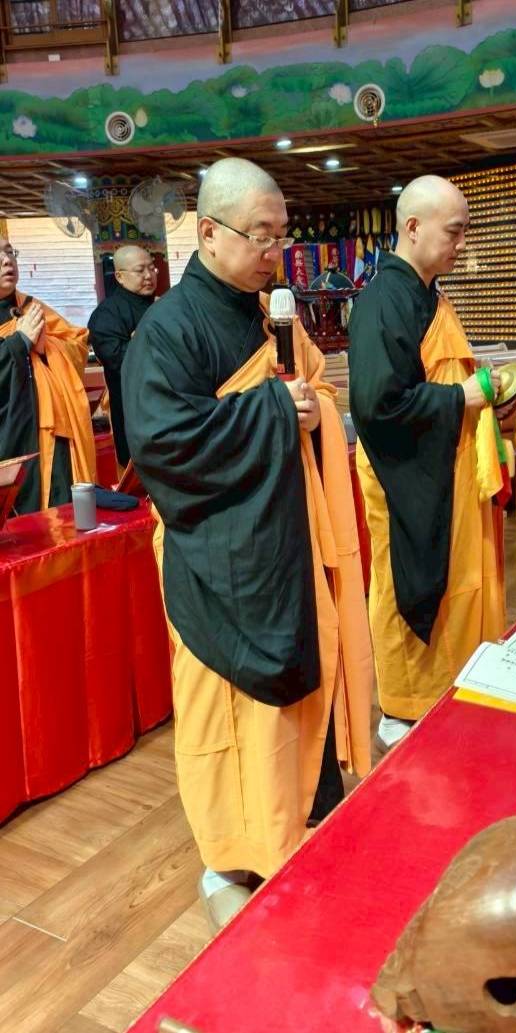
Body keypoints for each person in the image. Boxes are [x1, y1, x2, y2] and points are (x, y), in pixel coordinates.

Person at [122, 158, 372, 933]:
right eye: (261, 235)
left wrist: (306, 407)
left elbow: (305, 395)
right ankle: (232, 856)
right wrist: (272, 410)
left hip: (285, 542)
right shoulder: (167, 332)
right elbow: (162, 446)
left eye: (281, 235)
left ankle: (296, 824)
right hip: (221, 565)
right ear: (208, 233)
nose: (275, 251)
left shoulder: (267, 316)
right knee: (235, 722)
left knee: (299, 698)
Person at [349, 175, 508, 752]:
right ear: (413, 227)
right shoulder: (383, 301)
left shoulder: (430, 296)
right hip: (407, 479)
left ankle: (451, 689)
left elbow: (442, 378)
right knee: (408, 586)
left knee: (459, 585)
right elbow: (377, 406)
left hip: (449, 469)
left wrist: (487, 400)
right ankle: (403, 708)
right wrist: (463, 397)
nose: (462, 244)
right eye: (454, 232)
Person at [0, 236, 95, 513]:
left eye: (10, 252)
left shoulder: (31, 308)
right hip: (10, 440)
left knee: (62, 514)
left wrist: (45, 348)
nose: (7, 261)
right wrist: (19, 343)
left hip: (53, 431)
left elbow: (77, 342)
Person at [88, 245, 157, 468]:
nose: (149, 275)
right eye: (140, 270)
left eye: (152, 268)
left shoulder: (164, 305)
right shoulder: (107, 315)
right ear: (119, 276)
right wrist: (149, 341)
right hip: (135, 413)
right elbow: (120, 360)